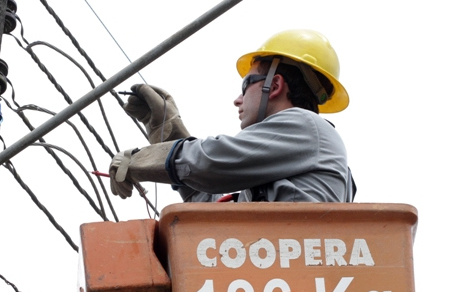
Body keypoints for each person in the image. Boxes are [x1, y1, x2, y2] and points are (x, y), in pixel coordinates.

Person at [109, 29, 355, 203]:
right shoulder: (289, 156)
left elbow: (210, 162)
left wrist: (138, 160)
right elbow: (213, 204)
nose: (238, 99)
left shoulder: (305, 126)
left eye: (246, 84)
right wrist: (166, 130)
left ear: (275, 85)